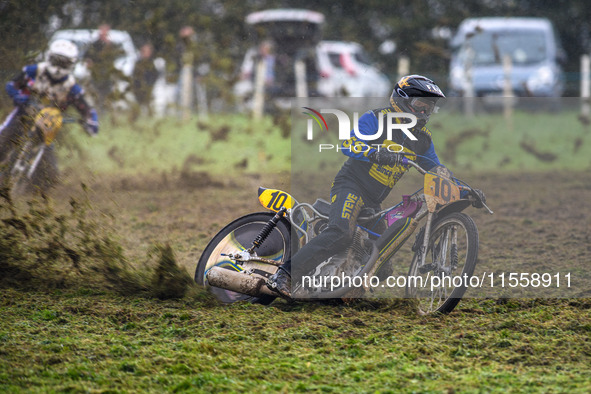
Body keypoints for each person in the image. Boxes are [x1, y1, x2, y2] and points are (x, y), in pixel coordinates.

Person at [267, 74, 485, 298]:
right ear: (401, 100)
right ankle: (284, 274)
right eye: (420, 105)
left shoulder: (423, 140)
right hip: (351, 185)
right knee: (340, 232)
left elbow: (438, 171)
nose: (423, 113)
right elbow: (349, 144)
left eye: (428, 108)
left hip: (374, 202)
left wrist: (466, 191)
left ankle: (332, 284)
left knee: (381, 266)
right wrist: (375, 153)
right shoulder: (376, 118)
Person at [2, 39, 98, 149]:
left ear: (71, 64)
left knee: (49, 164)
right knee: (4, 138)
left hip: (47, 127)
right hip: (23, 116)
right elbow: (12, 84)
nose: (58, 67)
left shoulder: (71, 87)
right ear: (49, 57)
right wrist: (19, 96)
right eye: (56, 61)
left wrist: (92, 123)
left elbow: (87, 109)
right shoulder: (34, 71)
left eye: (64, 63)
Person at [84, 23, 126, 112]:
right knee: (96, 93)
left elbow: (117, 56)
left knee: (107, 93)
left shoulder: (111, 45)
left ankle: (105, 111)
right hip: (97, 74)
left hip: (107, 73)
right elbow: (87, 56)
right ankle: (97, 110)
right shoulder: (94, 44)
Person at [131, 42, 159, 120]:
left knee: (149, 106)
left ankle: (150, 118)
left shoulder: (152, 63)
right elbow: (134, 76)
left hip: (149, 88)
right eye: (144, 51)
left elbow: (155, 75)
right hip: (139, 88)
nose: (146, 53)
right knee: (138, 105)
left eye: (147, 51)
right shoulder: (138, 63)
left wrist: (150, 86)